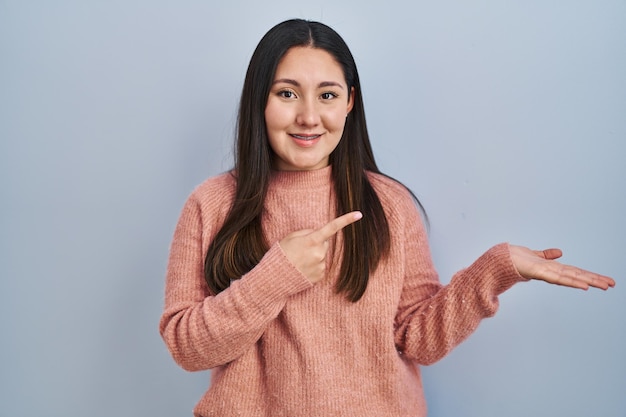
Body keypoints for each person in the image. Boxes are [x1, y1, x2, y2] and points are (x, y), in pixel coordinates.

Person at [159, 19, 615, 417]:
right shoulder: (213, 203)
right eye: (286, 93)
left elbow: (417, 338)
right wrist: (276, 276)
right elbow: (187, 348)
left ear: (350, 102)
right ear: (260, 99)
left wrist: (496, 270)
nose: (308, 116)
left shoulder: (388, 203)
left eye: (328, 95)